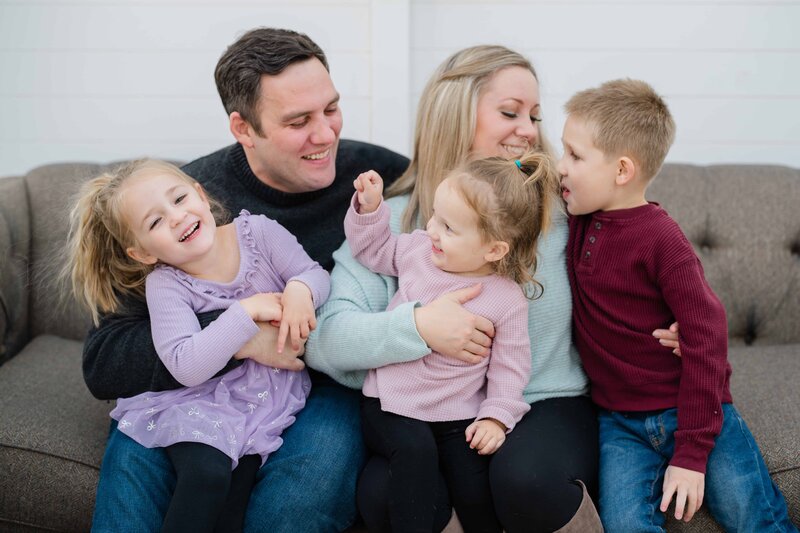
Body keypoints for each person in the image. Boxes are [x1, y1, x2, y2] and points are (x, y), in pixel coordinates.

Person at [305, 45, 668, 532]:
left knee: (526, 478)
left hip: (545, 399)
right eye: (509, 112)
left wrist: (681, 319)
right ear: (455, 117)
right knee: (384, 491)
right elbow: (325, 338)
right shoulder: (399, 226)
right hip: (430, 408)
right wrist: (417, 327)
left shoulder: (570, 209)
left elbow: (653, 249)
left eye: (535, 115)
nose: (528, 129)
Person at [82, 28, 410, 532]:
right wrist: (240, 337)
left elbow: (474, 199)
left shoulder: (377, 173)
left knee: (295, 503)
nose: (325, 135)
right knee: (137, 477)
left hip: (321, 387)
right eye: (298, 121)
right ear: (244, 128)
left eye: (331, 109)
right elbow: (104, 362)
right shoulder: (184, 210)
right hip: (192, 388)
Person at [558, 78, 797, 532]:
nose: (560, 166)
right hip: (620, 424)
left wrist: (691, 453)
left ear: (622, 170)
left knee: (751, 515)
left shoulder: (663, 240)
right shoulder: (575, 219)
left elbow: (707, 335)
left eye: (574, 155)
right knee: (625, 524)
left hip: (692, 410)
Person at [67, 159, 329, 531]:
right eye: (155, 222)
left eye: (179, 199)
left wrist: (301, 290)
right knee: (207, 475)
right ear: (142, 253)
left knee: (234, 505)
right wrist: (243, 314)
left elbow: (314, 273)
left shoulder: (260, 233)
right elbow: (185, 364)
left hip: (261, 403)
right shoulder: (166, 285)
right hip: (196, 402)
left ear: (201, 196)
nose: (176, 217)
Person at [347, 151, 556, 532]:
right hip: (393, 403)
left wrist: (496, 415)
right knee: (414, 456)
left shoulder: (506, 298)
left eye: (448, 227)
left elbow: (510, 367)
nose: (431, 231)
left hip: (458, 412)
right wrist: (370, 210)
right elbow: (372, 250)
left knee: (474, 482)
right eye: (434, 218)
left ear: (494, 249)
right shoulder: (416, 252)